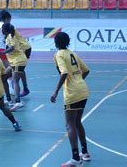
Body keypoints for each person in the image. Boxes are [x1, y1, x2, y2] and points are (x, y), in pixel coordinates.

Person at [50, 32, 91, 166]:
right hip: (83, 90)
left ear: (56, 43)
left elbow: (64, 72)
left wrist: (55, 91)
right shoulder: (73, 53)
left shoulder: (58, 55)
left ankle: (75, 158)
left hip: (72, 93)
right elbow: (86, 70)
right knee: (77, 122)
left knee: (69, 125)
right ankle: (84, 153)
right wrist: (78, 81)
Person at [2, 23, 28, 111]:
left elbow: (12, 48)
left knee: (15, 80)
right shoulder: (8, 37)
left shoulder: (10, 36)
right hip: (14, 62)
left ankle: (18, 102)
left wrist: (3, 52)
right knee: (3, 77)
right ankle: (9, 100)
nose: (1, 30)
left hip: (19, 60)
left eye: (2, 29)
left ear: (4, 30)